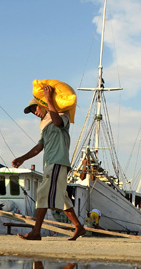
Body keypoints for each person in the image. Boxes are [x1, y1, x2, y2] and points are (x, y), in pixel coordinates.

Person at [12, 85, 86, 241]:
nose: (35, 112)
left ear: (43, 104)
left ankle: (36, 232)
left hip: (57, 162)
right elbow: (39, 146)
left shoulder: (62, 114)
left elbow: (58, 122)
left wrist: (48, 99)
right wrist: (22, 158)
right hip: (50, 164)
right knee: (64, 199)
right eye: (32, 112)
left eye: (35, 108)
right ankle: (78, 227)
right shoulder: (43, 125)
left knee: (42, 196)